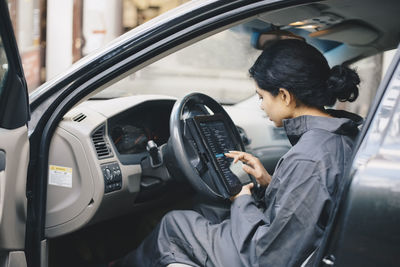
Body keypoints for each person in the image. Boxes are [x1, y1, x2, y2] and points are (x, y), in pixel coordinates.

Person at [112, 39, 363, 267]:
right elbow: (308, 207)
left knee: (173, 224)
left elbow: (269, 256)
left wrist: (242, 199)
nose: (262, 105)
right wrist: (270, 183)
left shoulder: (309, 157)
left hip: (264, 257)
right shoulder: (339, 137)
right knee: (208, 212)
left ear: (285, 96)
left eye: (262, 96)